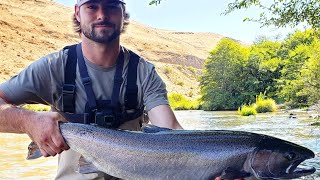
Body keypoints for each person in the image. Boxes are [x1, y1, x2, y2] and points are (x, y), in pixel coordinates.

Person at [0, 0, 182, 179]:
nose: (102, 14)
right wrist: (29, 121)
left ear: (123, 11)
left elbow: (171, 131)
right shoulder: (53, 67)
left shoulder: (144, 73)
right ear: (78, 12)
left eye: (111, 5)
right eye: (92, 6)